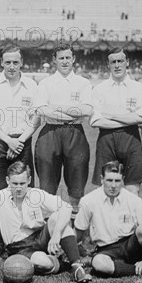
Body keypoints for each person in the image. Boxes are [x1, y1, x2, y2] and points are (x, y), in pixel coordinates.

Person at [0, 161, 93, 283]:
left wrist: (56, 234)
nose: (18, 188)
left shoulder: (36, 194)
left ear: (29, 181)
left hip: (40, 236)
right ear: (7, 181)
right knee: (42, 262)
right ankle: (63, 263)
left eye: (22, 183)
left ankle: (77, 267)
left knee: (57, 216)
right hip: (20, 247)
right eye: (14, 183)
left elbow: (66, 207)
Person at [34, 43, 93, 220]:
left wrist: (56, 107)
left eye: (68, 57)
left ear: (73, 59)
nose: (65, 61)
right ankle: (47, 232)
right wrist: (72, 109)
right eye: (61, 58)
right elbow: (42, 110)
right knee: (47, 187)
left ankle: (75, 234)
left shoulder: (83, 83)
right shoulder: (46, 83)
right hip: (50, 133)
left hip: (75, 133)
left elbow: (87, 110)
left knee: (76, 186)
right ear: (55, 60)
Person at [90, 48, 142, 195]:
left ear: (127, 62)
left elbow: (141, 118)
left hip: (131, 138)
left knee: (132, 189)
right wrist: (128, 119)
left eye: (120, 61)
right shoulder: (99, 89)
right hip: (106, 139)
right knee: (105, 187)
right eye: (113, 62)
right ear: (108, 65)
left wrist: (110, 115)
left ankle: (130, 218)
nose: (117, 65)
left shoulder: (138, 88)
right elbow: (96, 121)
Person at [0, 46, 40, 194]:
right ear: (1, 62)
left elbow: (37, 119)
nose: (11, 66)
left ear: (22, 62)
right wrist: (8, 141)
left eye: (15, 62)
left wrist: (19, 141)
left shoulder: (31, 85)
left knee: (24, 190)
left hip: (23, 141)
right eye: (8, 62)